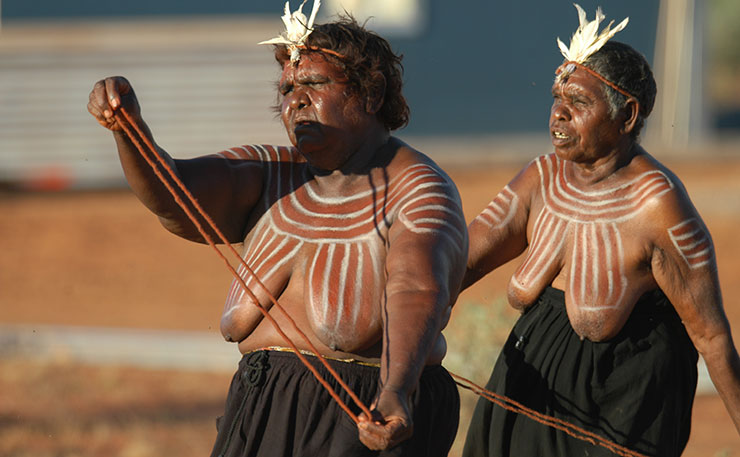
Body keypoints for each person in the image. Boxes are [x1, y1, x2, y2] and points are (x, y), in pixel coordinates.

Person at [86, 3, 468, 456]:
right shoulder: (271, 173)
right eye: (287, 88)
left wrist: (396, 390)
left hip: (365, 413)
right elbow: (174, 194)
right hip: (261, 406)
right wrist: (130, 131)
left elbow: (416, 286)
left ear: (371, 92)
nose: (294, 100)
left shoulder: (418, 189)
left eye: (313, 83)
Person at [461, 5, 740, 457]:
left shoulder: (658, 204)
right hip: (529, 381)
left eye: (579, 103)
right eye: (557, 98)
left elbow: (711, 335)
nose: (558, 115)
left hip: (626, 399)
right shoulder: (540, 179)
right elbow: (461, 261)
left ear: (626, 115)